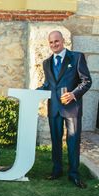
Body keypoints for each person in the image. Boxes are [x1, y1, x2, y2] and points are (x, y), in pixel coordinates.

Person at [37, 30, 92, 188]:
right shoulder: (46, 62)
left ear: (63, 41)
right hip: (54, 107)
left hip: (72, 108)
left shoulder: (76, 57)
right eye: (51, 42)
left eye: (57, 41)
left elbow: (86, 81)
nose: (54, 44)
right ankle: (57, 170)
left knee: (73, 141)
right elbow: (48, 84)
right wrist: (33, 93)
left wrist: (73, 94)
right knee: (55, 140)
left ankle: (74, 174)